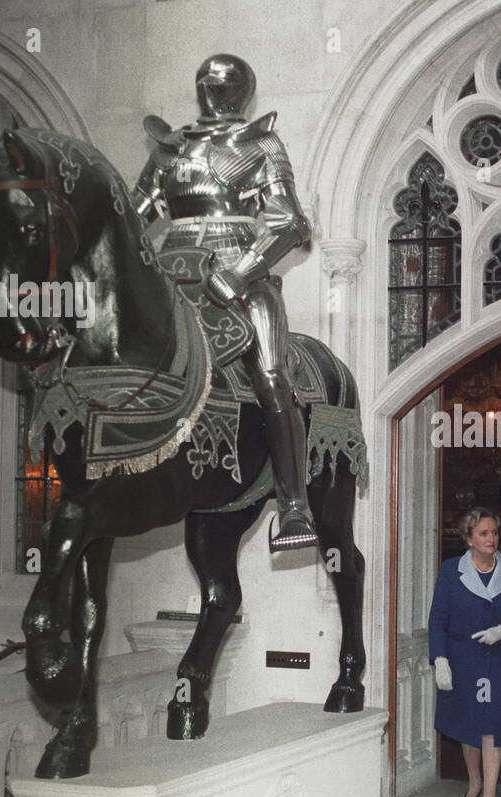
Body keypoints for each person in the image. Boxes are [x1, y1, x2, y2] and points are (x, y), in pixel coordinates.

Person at [133, 53, 316, 552]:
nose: (213, 91)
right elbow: (132, 219)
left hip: (240, 274)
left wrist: (241, 272)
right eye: (206, 82)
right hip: (172, 273)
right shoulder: (169, 152)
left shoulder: (261, 145)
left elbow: (290, 223)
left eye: (224, 83)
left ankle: (294, 504)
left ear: (244, 91)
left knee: (273, 376)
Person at [429, 507, 501, 797]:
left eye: (495, 533)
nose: (492, 539)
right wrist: (440, 660)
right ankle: (474, 782)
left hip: (500, 660)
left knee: (494, 724)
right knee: (469, 724)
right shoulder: (451, 571)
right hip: (463, 658)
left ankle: (490, 795)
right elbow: (438, 619)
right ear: (468, 539)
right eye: (484, 533)